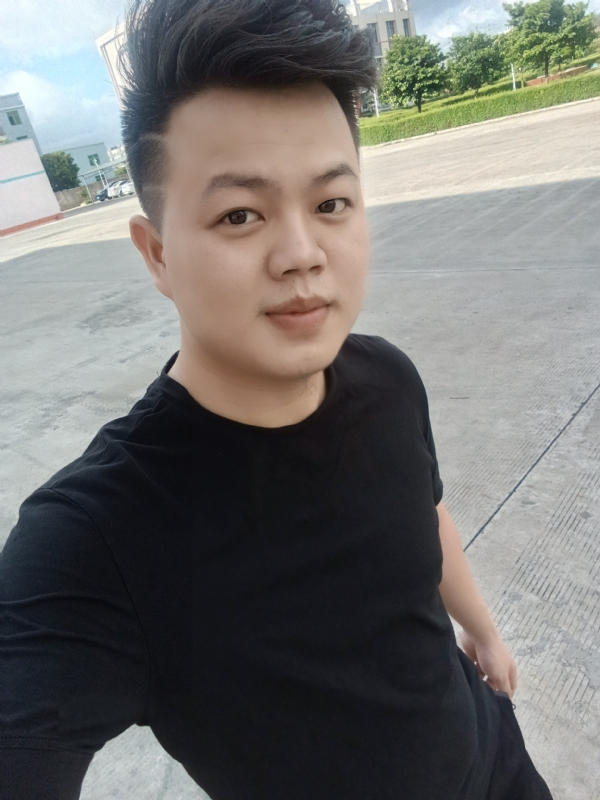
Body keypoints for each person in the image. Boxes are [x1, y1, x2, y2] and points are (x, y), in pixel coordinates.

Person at [0, 1, 553, 798]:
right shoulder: (98, 538)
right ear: (157, 255)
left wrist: (483, 630)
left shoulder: (388, 378)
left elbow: (426, 515)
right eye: (240, 214)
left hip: (499, 765)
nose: (301, 254)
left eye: (331, 204)